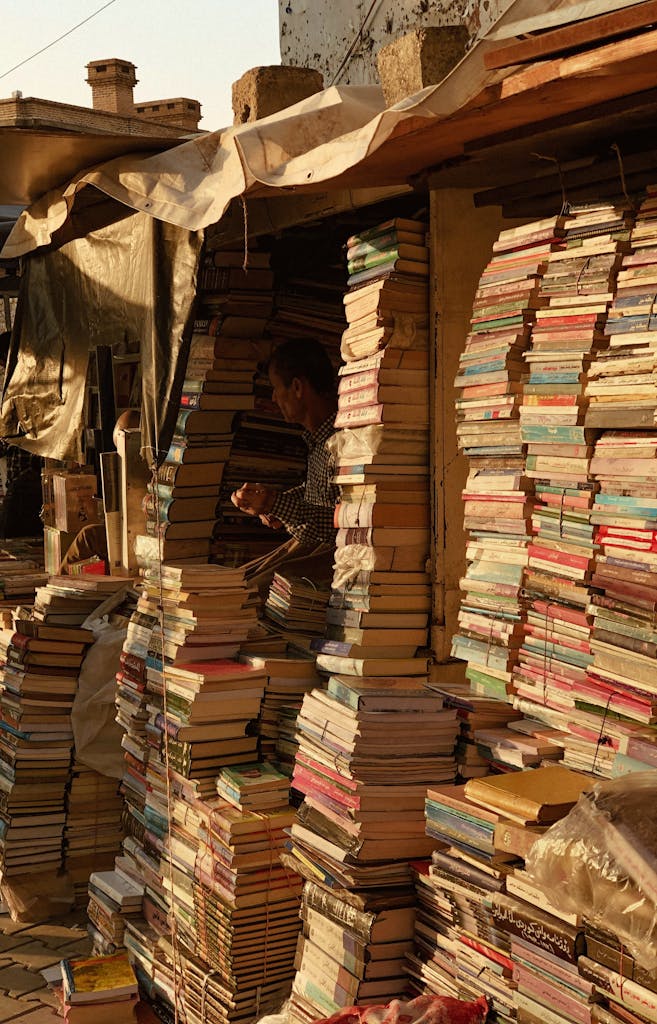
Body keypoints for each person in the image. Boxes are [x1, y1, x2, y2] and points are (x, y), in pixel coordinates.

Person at [230, 338, 339, 584]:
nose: (274, 398)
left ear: (298, 388)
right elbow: (323, 493)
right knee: (238, 582)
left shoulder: (343, 442)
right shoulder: (319, 442)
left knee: (249, 594)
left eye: (277, 388)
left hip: (331, 562)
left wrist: (276, 504)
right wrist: (274, 504)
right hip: (310, 550)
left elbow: (342, 524)